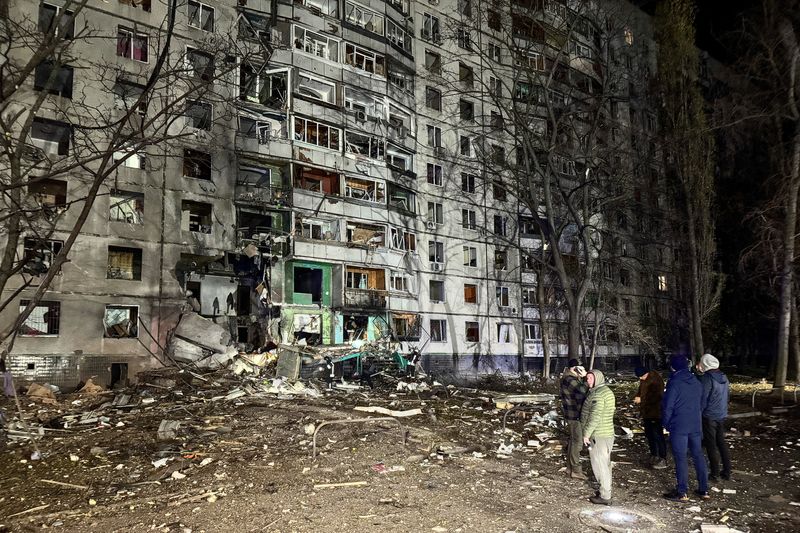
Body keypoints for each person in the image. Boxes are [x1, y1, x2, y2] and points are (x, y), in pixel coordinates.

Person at [662, 355, 709, 501]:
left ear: (673, 367)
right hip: (695, 424)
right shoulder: (696, 381)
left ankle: (682, 492)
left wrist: (666, 423)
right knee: (698, 456)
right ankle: (704, 490)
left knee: (681, 458)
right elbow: (702, 403)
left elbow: (668, 406)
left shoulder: (674, 382)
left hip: (679, 426)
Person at [581, 369, 616, 505]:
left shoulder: (599, 395)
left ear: (597, 379)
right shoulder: (605, 391)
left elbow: (595, 417)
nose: (587, 381)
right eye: (587, 378)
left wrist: (586, 434)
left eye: (590, 378)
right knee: (605, 464)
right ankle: (604, 490)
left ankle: (605, 496)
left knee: (600, 465)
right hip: (606, 433)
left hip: (599, 435)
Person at [697, 353, 731, 481]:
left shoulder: (707, 378)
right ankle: (727, 471)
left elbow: (703, 398)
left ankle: (715, 473)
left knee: (711, 445)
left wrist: (699, 412)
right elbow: (728, 396)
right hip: (721, 414)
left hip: (709, 415)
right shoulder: (724, 376)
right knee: (721, 442)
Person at [560, 358, 589, 480]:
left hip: (572, 414)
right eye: (580, 368)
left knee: (573, 441)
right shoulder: (569, 379)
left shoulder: (569, 378)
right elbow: (583, 390)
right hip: (574, 415)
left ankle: (570, 468)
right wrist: (585, 378)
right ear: (575, 368)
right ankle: (576, 470)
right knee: (577, 442)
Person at [634, 366, 667, 469]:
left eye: (642, 376)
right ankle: (654, 454)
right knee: (649, 434)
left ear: (647, 373)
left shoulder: (656, 381)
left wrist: (642, 401)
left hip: (655, 412)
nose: (640, 379)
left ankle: (662, 457)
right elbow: (641, 390)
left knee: (657, 435)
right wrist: (638, 396)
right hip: (647, 412)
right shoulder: (645, 379)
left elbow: (656, 398)